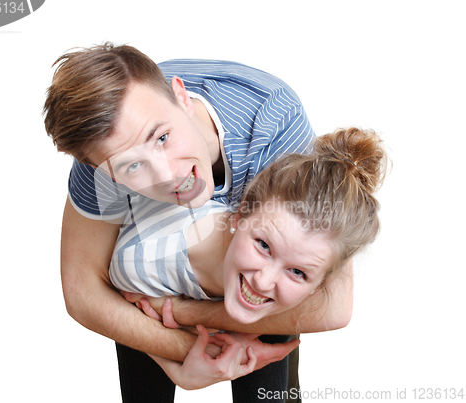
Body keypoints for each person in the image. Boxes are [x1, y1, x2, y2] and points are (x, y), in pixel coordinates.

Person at [44, 43, 353, 402]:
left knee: (275, 267)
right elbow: (83, 292)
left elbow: (333, 304)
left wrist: (185, 311)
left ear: (181, 95)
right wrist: (184, 353)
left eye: (162, 138)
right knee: (134, 282)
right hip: (154, 268)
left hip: (257, 265)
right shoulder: (102, 157)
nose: (167, 175)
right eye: (132, 166)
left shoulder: (276, 123)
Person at [111, 127, 387, 390]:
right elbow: (124, 319)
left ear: (323, 283)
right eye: (264, 246)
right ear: (240, 215)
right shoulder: (142, 263)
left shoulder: (275, 265)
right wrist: (181, 361)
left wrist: (210, 327)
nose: (264, 281)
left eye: (299, 272)